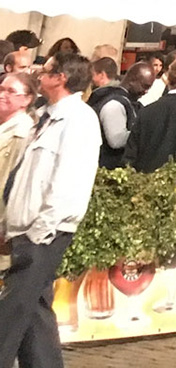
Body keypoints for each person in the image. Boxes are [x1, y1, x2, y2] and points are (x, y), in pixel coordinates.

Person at [0, 54, 102, 368]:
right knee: (35, 309)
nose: (38, 73)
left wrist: (41, 230)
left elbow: (68, 180)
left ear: (60, 78)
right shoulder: (46, 116)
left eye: (45, 70)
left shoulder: (79, 120)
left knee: (12, 308)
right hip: (26, 227)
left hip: (46, 231)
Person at [87, 57, 138, 169]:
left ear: (102, 75)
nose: (90, 79)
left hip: (108, 164)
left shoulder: (111, 101)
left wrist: (139, 133)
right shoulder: (119, 96)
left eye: (93, 75)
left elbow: (116, 141)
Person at [0, 71, 34, 202]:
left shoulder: (23, 132)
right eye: (1, 89)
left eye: (11, 91)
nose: (2, 95)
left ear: (27, 99)